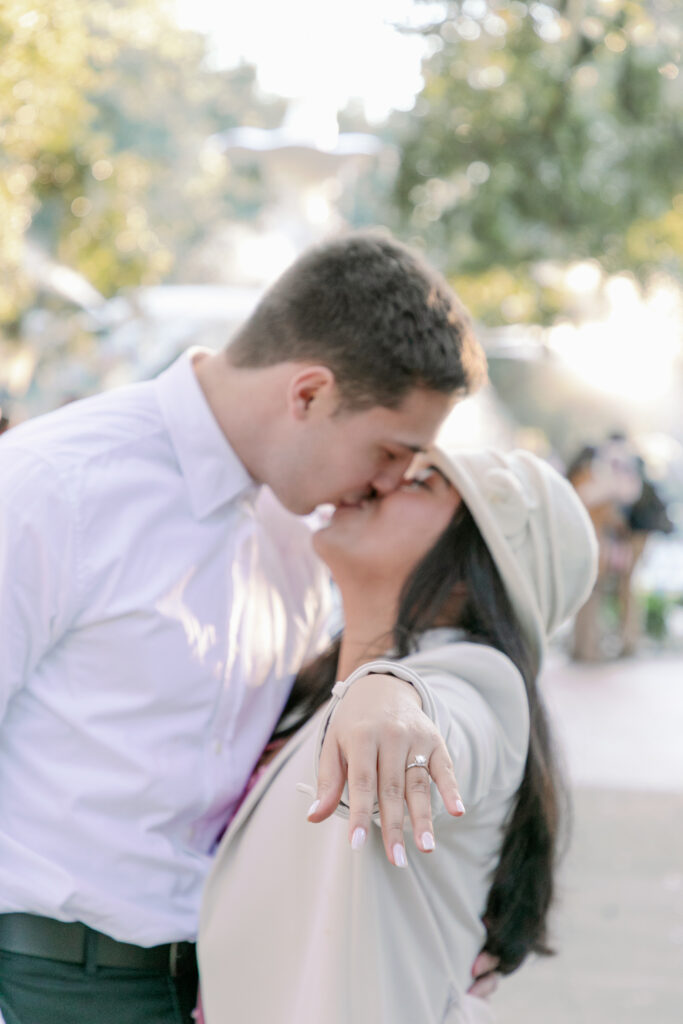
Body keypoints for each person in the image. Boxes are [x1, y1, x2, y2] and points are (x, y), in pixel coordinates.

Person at [0, 230, 488, 1024]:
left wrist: (387, 687)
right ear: (308, 394)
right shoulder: (54, 488)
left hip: (218, 986)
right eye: (393, 449)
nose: (396, 481)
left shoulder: (303, 531)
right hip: (45, 982)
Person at [198, 447, 598, 1023]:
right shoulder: (309, 687)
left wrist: (390, 693)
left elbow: (441, 725)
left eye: (422, 483)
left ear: (473, 569)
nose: (377, 483)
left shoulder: (482, 685)